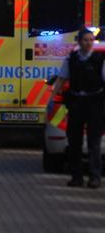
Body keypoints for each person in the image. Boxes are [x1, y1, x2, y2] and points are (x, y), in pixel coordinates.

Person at [52, 28, 105, 189]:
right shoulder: (71, 58)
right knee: (74, 142)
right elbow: (61, 79)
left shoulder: (100, 59)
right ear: (79, 42)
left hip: (95, 103)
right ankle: (76, 177)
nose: (88, 43)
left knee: (93, 142)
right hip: (76, 103)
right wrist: (52, 96)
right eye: (85, 40)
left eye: (91, 40)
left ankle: (94, 178)